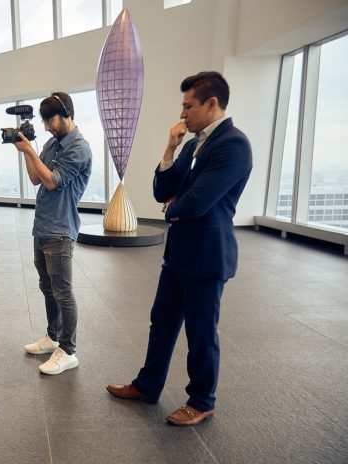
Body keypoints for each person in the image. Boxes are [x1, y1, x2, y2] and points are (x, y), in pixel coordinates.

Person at [106, 71, 253, 425]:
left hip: (207, 256)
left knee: (200, 334)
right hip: (179, 253)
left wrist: (172, 208)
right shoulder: (190, 144)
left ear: (211, 103)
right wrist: (170, 148)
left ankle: (201, 401)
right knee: (162, 322)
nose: (182, 113)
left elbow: (196, 202)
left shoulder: (234, 144)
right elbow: (162, 191)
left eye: (188, 106)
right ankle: (148, 385)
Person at [13, 92, 92, 375]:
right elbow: (36, 178)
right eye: (44, 122)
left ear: (67, 114)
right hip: (43, 226)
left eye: (50, 121)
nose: (47, 127)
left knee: (63, 292)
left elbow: (52, 182)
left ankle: (68, 351)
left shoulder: (79, 148)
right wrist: (26, 151)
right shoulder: (51, 144)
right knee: (47, 287)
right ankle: (53, 336)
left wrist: (31, 151)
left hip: (60, 230)